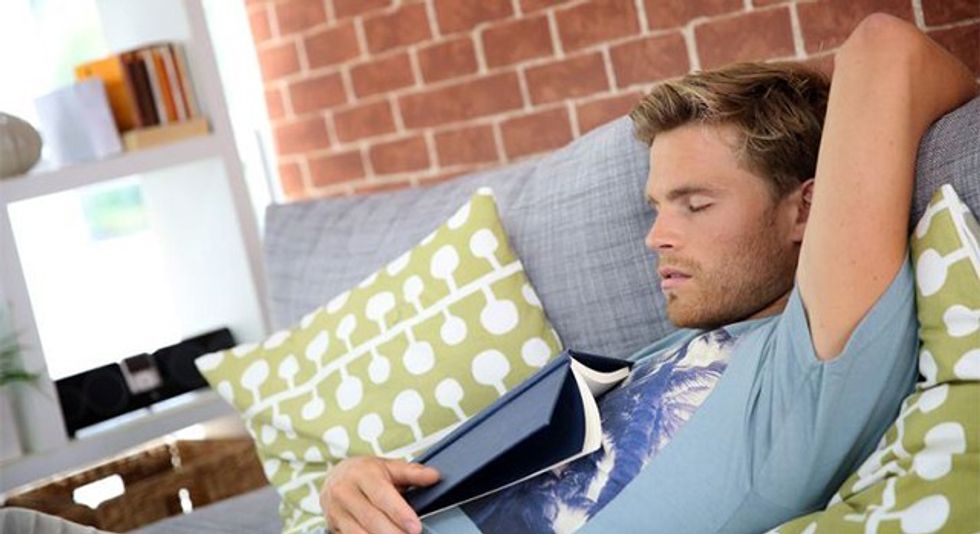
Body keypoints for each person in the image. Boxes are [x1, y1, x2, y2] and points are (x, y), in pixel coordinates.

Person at [318, 13, 978, 534]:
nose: (656, 236)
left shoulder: (808, 368)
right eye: (658, 207)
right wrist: (352, 482)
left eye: (695, 204)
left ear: (806, 207)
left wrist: (780, 107)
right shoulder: (652, 358)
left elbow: (884, 50)